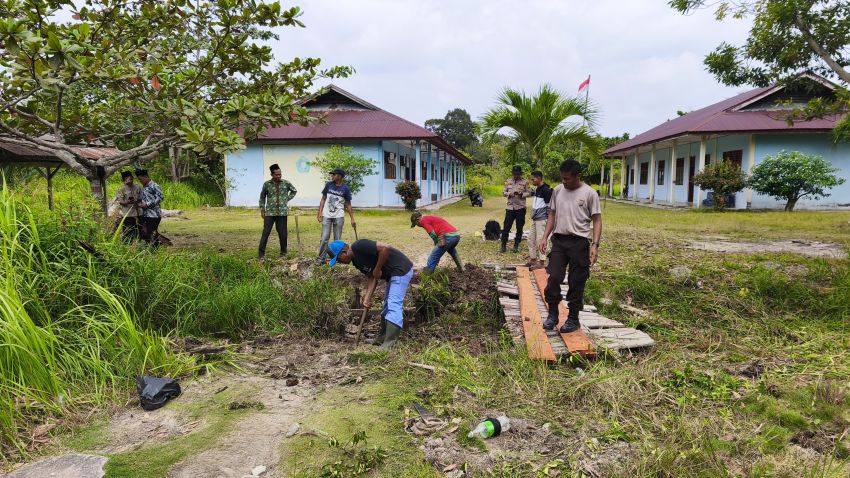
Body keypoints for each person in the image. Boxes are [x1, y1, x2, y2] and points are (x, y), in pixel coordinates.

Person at [539, 159, 602, 333]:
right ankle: (552, 314)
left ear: (577, 176)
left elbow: (597, 220)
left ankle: (573, 318)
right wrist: (545, 237)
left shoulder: (589, 193)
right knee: (553, 277)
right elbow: (552, 214)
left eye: (567, 179)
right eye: (562, 178)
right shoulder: (558, 191)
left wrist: (595, 245)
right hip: (559, 240)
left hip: (579, 242)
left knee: (577, 281)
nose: (564, 182)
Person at [327, 239, 413, 350]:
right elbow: (372, 277)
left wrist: (377, 268)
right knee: (387, 305)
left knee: (393, 304)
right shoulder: (356, 262)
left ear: (344, 252)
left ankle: (389, 343)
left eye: (338, 259)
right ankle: (382, 338)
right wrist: (367, 298)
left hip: (401, 269)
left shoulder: (359, 246)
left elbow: (385, 248)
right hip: (392, 275)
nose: (339, 262)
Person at [258, 163, 297, 260]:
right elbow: (262, 197)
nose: (279, 176)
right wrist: (262, 209)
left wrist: (286, 199)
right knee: (266, 232)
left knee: (283, 234)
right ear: (272, 174)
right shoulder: (267, 184)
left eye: (280, 174)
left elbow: (294, 191)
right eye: (276, 174)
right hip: (269, 213)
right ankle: (261, 254)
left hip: (282, 213)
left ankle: (283, 253)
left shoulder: (286, 183)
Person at [317, 168, 356, 262]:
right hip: (327, 216)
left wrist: (352, 219)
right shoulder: (328, 185)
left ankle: (337, 258)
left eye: (333, 175)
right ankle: (321, 258)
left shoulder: (345, 188)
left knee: (337, 240)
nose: (332, 176)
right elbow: (323, 198)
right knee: (324, 238)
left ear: (339, 176)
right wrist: (320, 212)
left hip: (339, 217)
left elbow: (348, 204)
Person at [501, 165, 531, 253]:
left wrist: (522, 194)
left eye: (517, 174)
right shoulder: (508, 181)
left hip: (520, 208)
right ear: (512, 174)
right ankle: (503, 244)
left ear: (520, 174)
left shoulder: (525, 182)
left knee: (519, 227)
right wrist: (509, 194)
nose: (516, 176)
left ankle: (516, 245)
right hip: (510, 207)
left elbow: (529, 192)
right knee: (506, 227)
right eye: (514, 174)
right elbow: (503, 192)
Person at [527, 171, 553, 269]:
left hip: (542, 219)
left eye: (533, 179)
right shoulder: (538, 189)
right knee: (530, 239)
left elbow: (550, 207)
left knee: (541, 240)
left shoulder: (546, 190)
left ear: (538, 178)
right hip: (535, 218)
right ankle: (533, 259)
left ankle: (542, 262)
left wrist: (547, 220)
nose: (532, 180)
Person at [136, 169, 164, 246]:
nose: (140, 181)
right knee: (146, 232)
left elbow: (160, 197)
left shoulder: (154, 185)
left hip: (154, 215)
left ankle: (155, 250)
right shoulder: (143, 187)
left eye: (140, 179)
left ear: (146, 177)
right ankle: (150, 249)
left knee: (152, 232)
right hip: (145, 214)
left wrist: (148, 204)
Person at [114, 171, 142, 242]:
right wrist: (128, 202)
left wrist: (137, 200)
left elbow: (141, 197)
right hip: (128, 214)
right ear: (124, 180)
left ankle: (137, 245)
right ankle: (127, 246)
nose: (131, 180)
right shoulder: (121, 189)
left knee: (138, 231)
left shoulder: (138, 187)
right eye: (128, 179)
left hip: (138, 213)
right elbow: (120, 201)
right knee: (128, 232)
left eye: (131, 179)